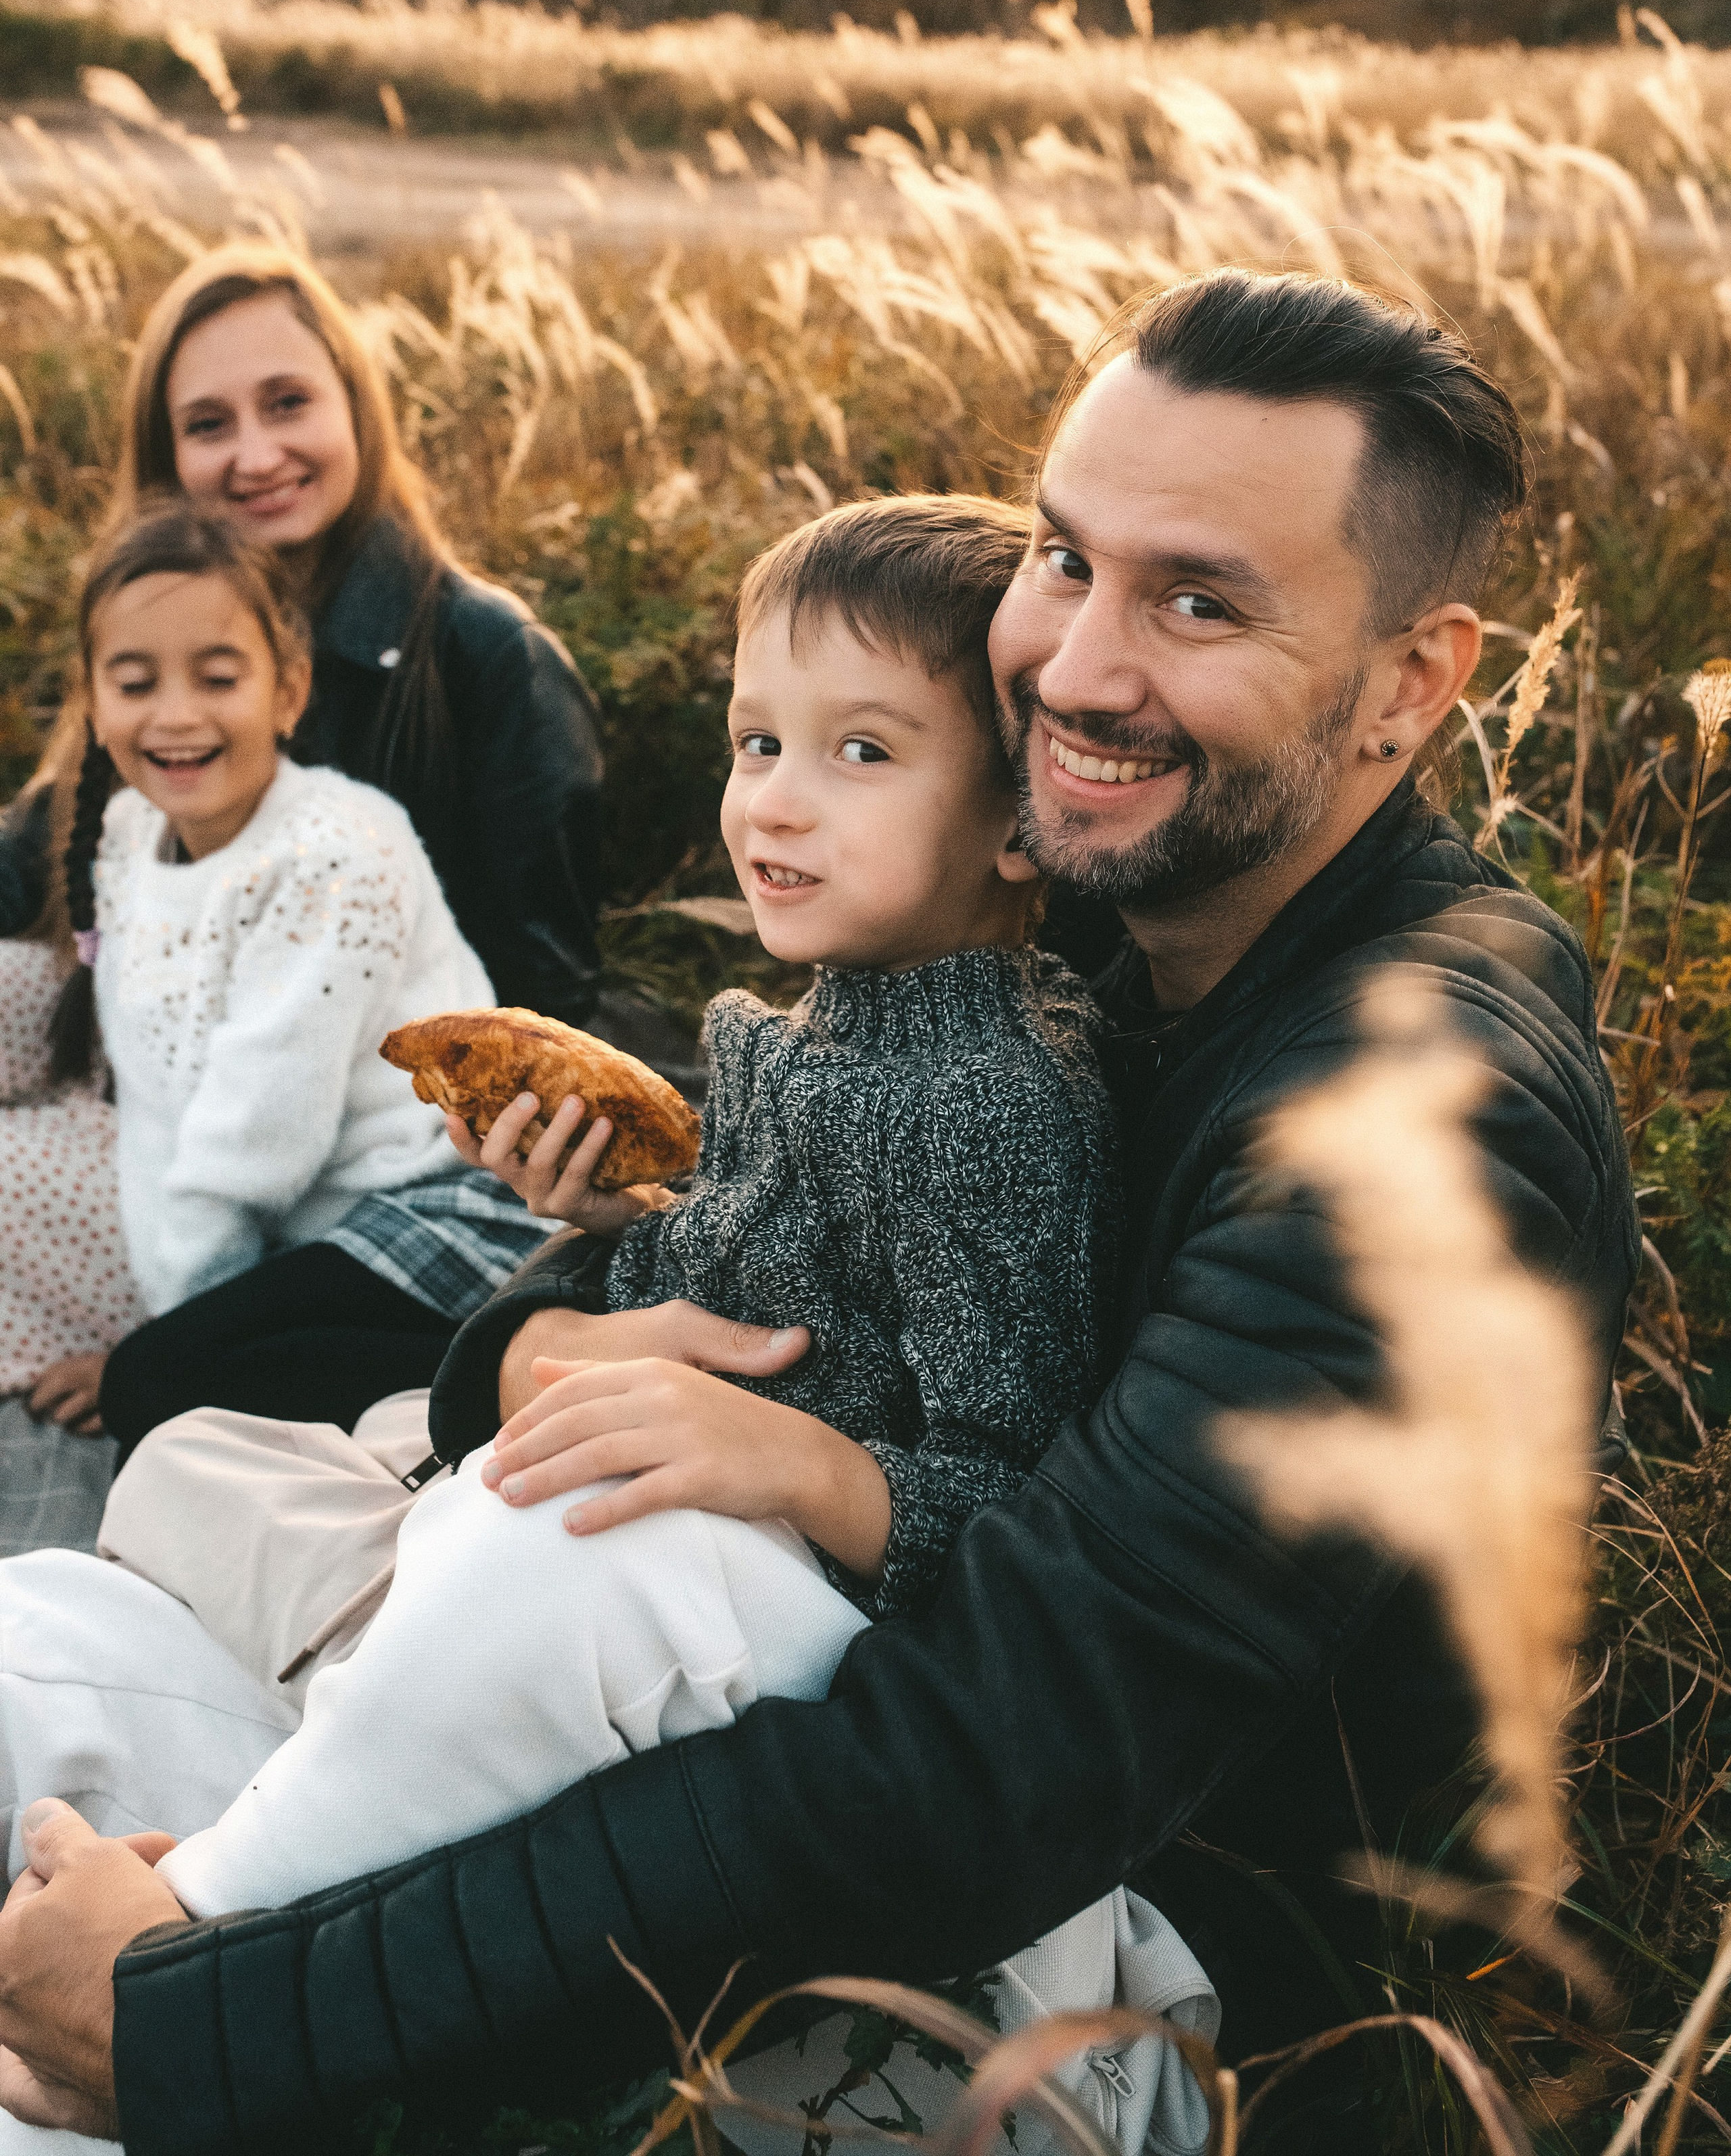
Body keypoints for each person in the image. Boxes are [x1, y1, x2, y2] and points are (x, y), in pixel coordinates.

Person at [0, 271, 1638, 2156]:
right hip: (712, 1740)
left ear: (1416, 683)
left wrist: (211, 2022)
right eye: (1064, 558)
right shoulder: (1104, 891)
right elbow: (772, 1251)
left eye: (1198, 600)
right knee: (37, 1650)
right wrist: (542, 1329)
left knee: (115, 2052)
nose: (1077, 664)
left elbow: (959, 1778)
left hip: (1061, 1991)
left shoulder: (1428, 1133)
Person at [0, 494, 1216, 2150]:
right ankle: (277, 1832)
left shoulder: (992, 1095)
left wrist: (792, 1458)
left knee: (538, 1545)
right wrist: (619, 1233)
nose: (774, 802)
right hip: (639, 1576)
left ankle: (205, 1912)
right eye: (755, 740)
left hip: (791, 1656)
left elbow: (1007, 1507)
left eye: (861, 754)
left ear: (1019, 826)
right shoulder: (825, 1030)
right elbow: (771, 1295)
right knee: (134, 1537)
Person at [0, 241, 604, 1446]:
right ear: (169, 460)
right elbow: (47, 856)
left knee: (99, 1293)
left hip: (380, 1139)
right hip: (189, 1050)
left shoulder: (484, 658)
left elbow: (544, 996)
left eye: (288, 403)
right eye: (208, 423)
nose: (256, 452)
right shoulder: (161, 622)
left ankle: (490, 1364)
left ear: (354, 407)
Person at [0, 498, 515, 1440]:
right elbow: (162, 1110)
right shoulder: (124, 837)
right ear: (96, 699)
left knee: (163, 1390)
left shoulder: (336, 853)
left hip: (431, 1208)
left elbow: (253, 1141)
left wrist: (162, 1342)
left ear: (287, 690)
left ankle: (520, 1362)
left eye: (218, 675)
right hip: (298, 1226)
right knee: (170, 1358)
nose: (177, 714)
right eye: (136, 680)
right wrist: (175, 1309)